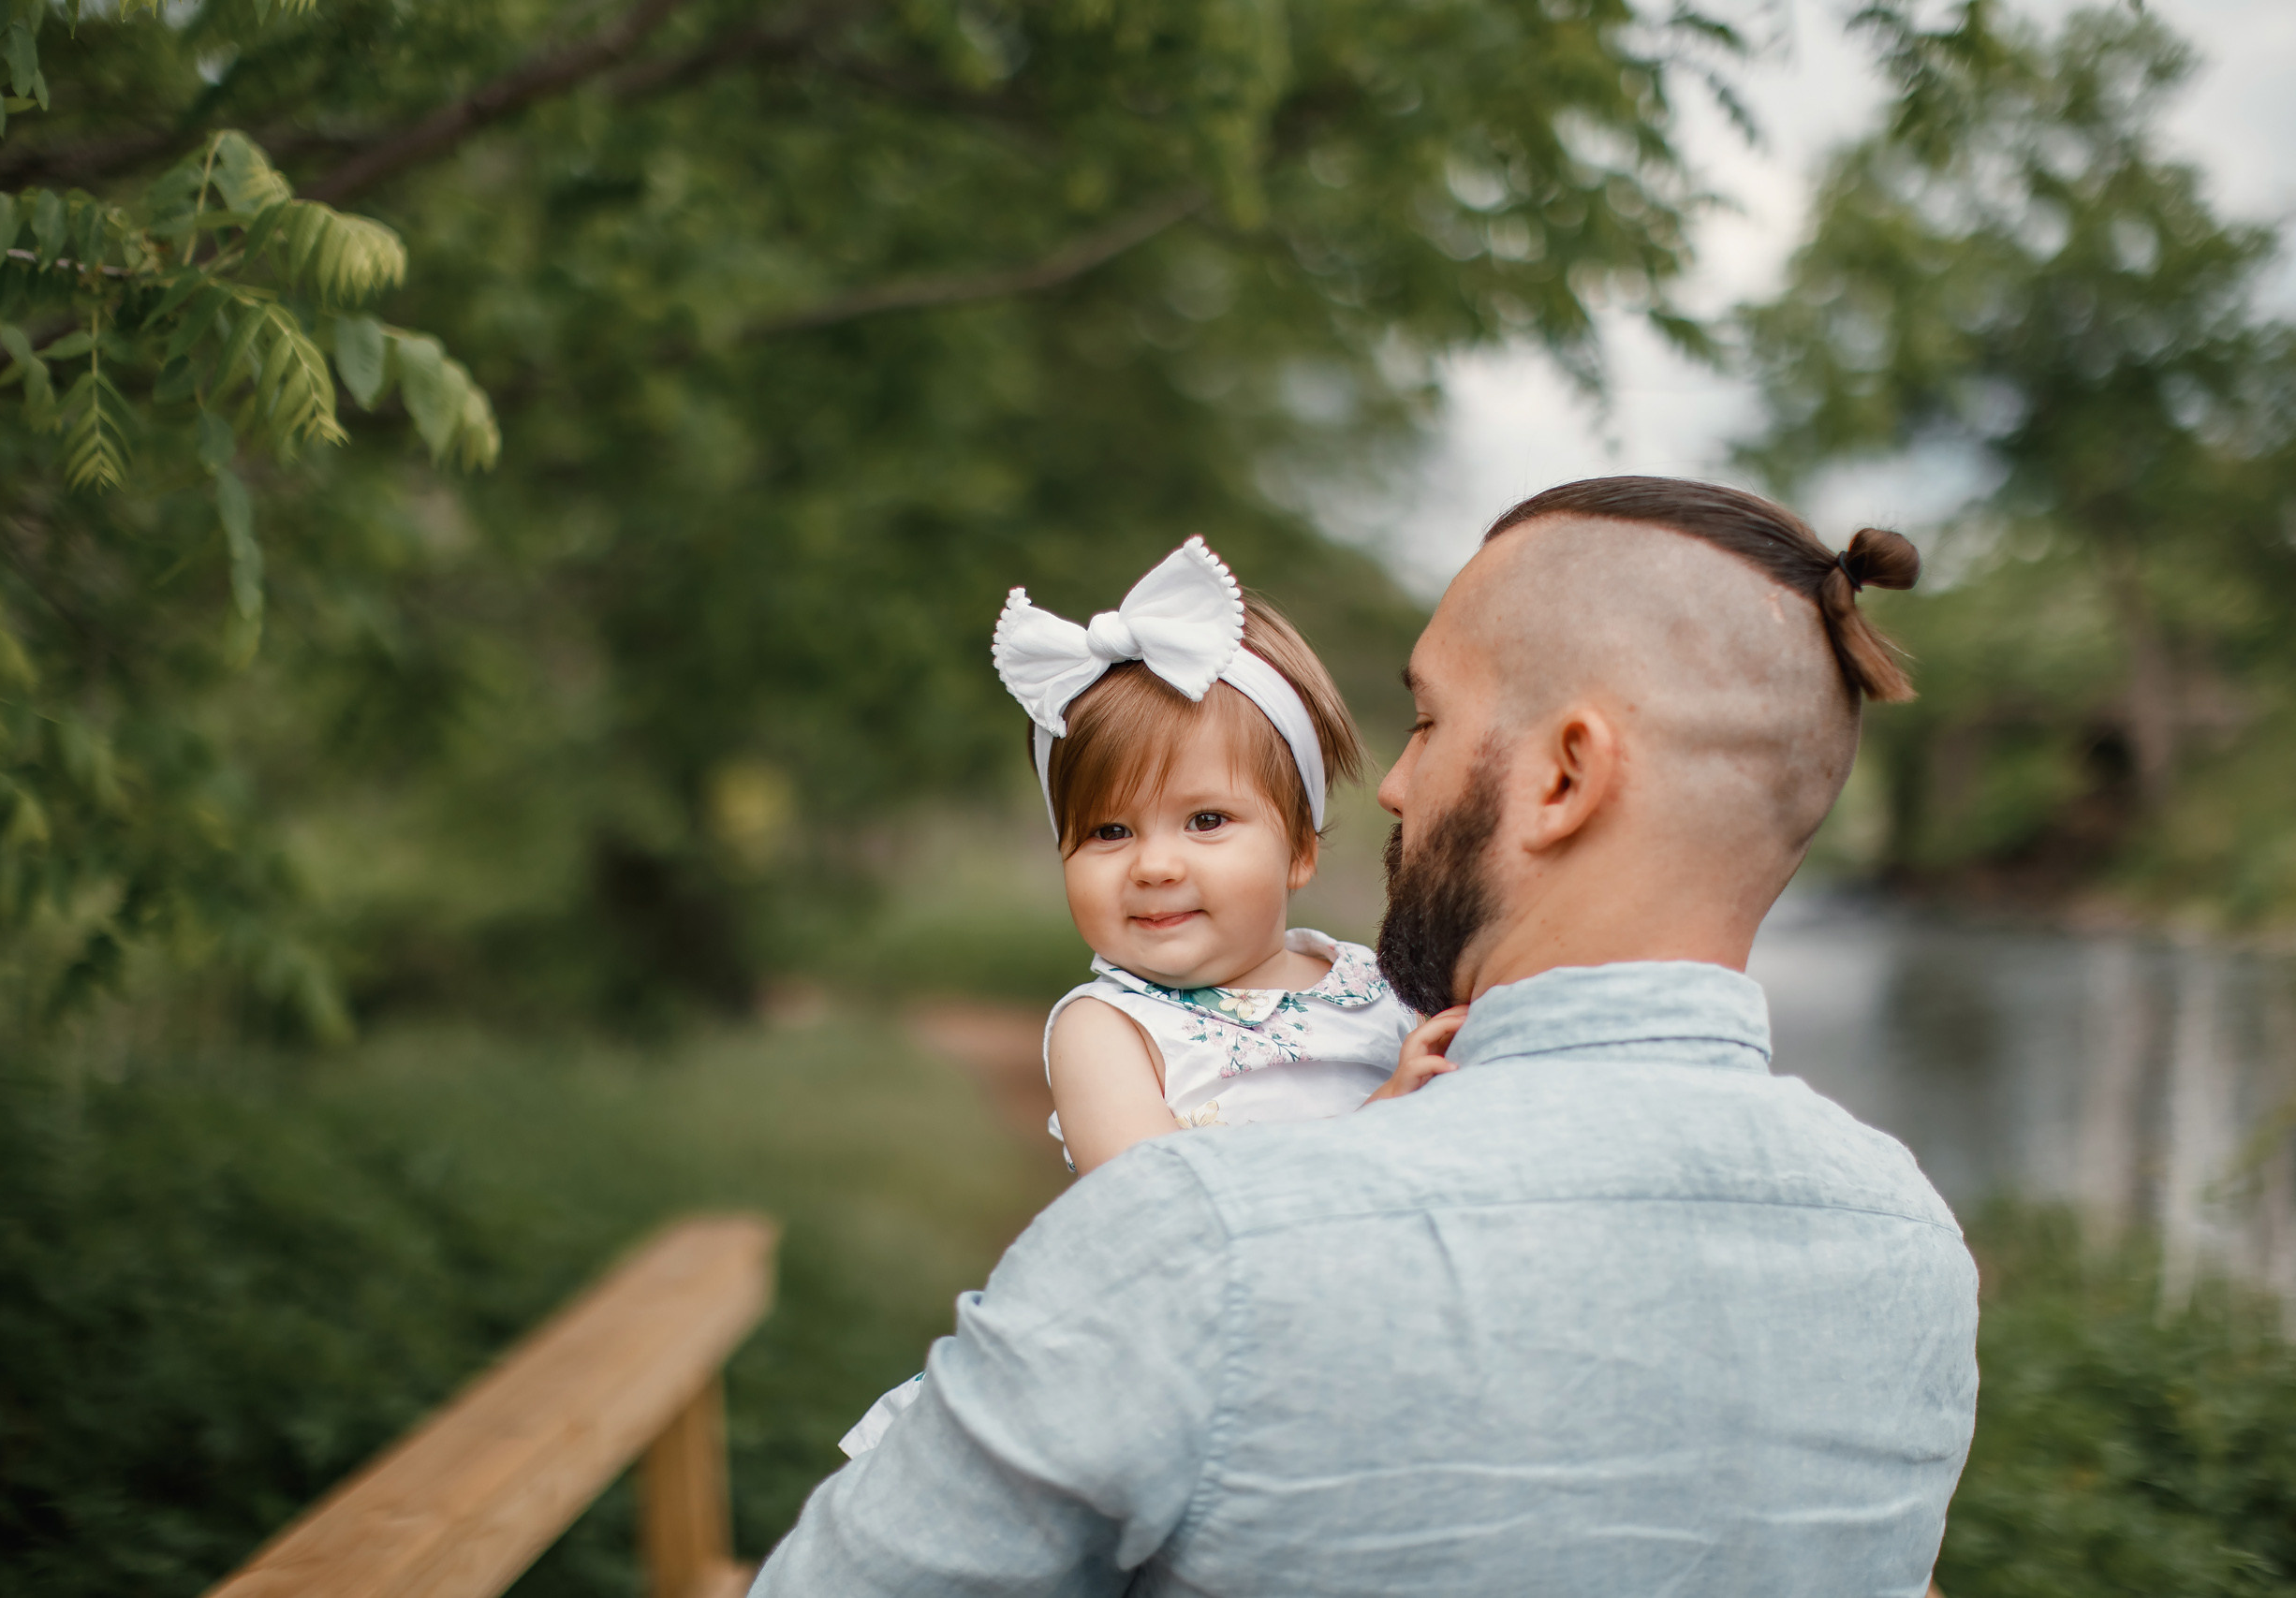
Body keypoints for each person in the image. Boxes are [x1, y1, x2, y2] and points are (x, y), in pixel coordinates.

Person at [752, 477, 1980, 1597]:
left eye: (1429, 722)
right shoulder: (1911, 1241)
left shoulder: (1201, 1244)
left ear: (1563, 777)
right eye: (1111, 832)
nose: (1390, 785)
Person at [838, 535, 1456, 1457]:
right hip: (1162, 1357)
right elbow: (1160, 1208)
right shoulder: (1106, 1029)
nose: (1156, 865)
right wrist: (1376, 1123)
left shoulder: (1379, 985)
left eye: (1206, 821)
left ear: (1297, 848)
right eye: (1109, 831)